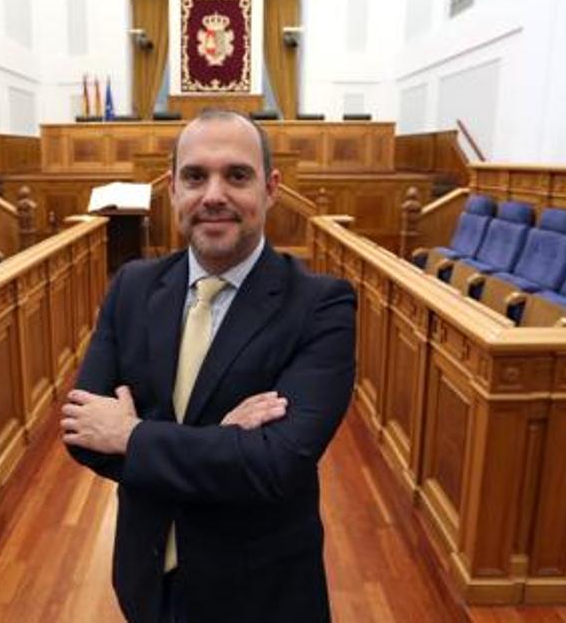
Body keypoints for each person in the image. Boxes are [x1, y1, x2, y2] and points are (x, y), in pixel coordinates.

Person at [61, 109, 356, 623]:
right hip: (145, 575)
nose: (213, 194)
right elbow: (84, 432)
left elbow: (276, 465)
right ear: (171, 188)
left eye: (236, 175)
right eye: (195, 176)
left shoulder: (322, 305)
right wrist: (225, 442)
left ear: (271, 187)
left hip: (260, 592)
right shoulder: (132, 286)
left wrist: (131, 435)